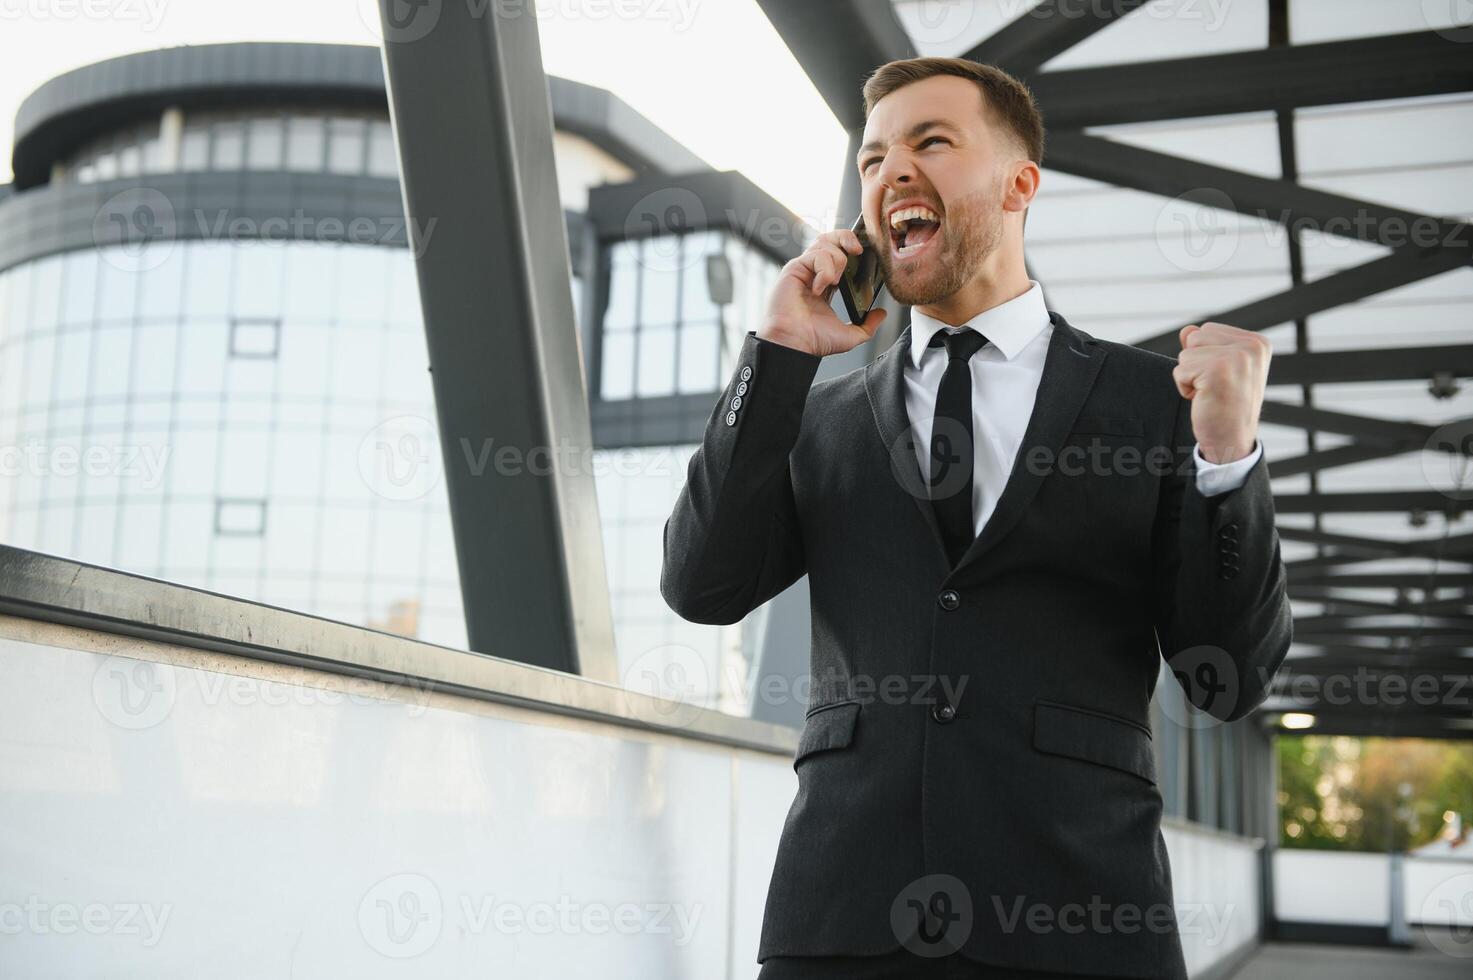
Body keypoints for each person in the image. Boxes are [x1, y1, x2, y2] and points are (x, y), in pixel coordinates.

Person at [661, 57, 1292, 980]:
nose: (889, 175)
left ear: (1018, 183)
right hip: (843, 921)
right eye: (872, 160)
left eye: (931, 142)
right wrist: (777, 353)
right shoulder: (818, 417)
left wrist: (1227, 455)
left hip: (1080, 917)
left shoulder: (1152, 404)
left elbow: (1229, 680)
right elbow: (701, 586)